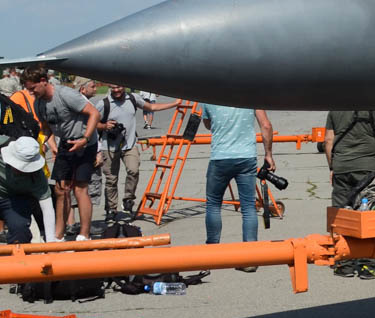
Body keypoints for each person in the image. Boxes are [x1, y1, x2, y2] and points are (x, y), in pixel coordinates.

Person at [22, 66, 100, 241]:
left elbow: (94, 113)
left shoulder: (66, 95)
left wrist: (85, 139)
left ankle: (84, 234)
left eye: (33, 88)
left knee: (80, 188)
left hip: (84, 143)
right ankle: (58, 234)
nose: (31, 92)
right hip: (66, 144)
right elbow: (47, 127)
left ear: (43, 81)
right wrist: (40, 142)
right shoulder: (39, 103)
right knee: (60, 189)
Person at [90, 84, 181, 223]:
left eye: (119, 87)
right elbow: (92, 122)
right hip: (109, 147)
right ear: (109, 87)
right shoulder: (104, 103)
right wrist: (104, 126)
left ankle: (128, 199)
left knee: (133, 170)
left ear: (124, 86)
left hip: (129, 144)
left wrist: (174, 104)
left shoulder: (133, 98)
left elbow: (150, 107)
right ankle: (111, 209)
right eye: (113, 88)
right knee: (111, 180)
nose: (116, 90)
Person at [201, 104, 275, 245]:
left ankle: (211, 252)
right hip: (246, 157)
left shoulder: (209, 94)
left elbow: (207, 123)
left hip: (220, 157)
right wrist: (268, 154)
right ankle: (250, 257)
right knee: (248, 207)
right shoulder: (250, 92)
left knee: (213, 205)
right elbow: (266, 125)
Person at [325, 110, 375, 209]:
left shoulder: (336, 108)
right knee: (368, 208)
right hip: (369, 168)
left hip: (341, 168)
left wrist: (332, 168)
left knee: (340, 211)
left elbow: (328, 140)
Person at [0, 136, 56, 243]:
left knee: (20, 229)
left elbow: (47, 209)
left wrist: (51, 243)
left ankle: (19, 258)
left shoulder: (38, 177)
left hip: (13, 201)